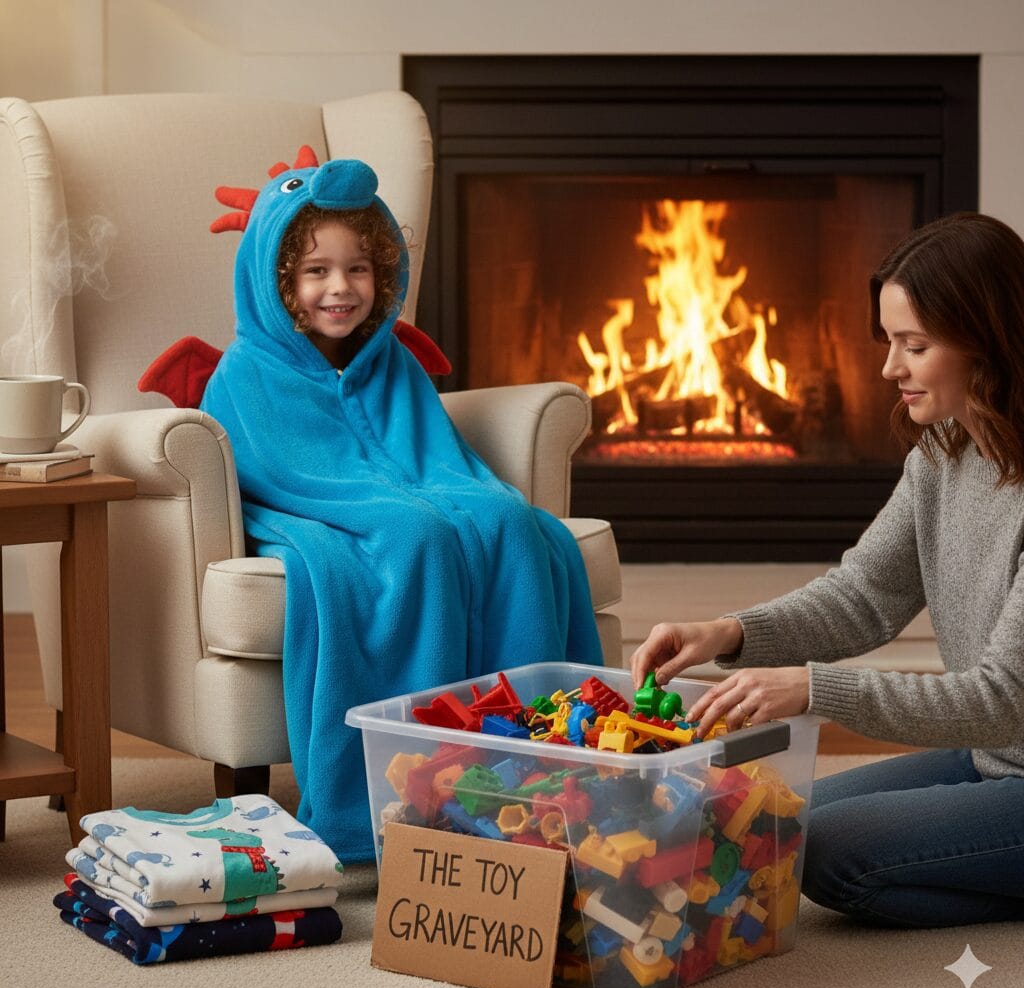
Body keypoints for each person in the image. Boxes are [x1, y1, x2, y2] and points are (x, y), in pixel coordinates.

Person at [200, 156, 602, 863]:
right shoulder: (245, 371)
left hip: (421, 488)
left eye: (357, 269)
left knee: (511, 521)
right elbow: (272, 473)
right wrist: (383, 504)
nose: (340, 288)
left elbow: (437, 460)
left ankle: (543, 768)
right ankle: (410, 788)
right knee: (414, 533)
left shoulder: (395, 365)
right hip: (325, 513)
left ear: (383, 275)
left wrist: (442, 498)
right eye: (316, 271)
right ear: (278, 281)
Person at [630, 211, 1024, 928]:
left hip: (1005, 741)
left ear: (987, 342)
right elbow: (864, 594)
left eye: (916, 345)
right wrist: (724, 634)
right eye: (889, 342)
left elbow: (1004, 699)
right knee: (778, 823)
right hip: (993, 758)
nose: (889, 369)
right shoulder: (943, 452)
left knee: (828, 856)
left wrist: (812, 689)